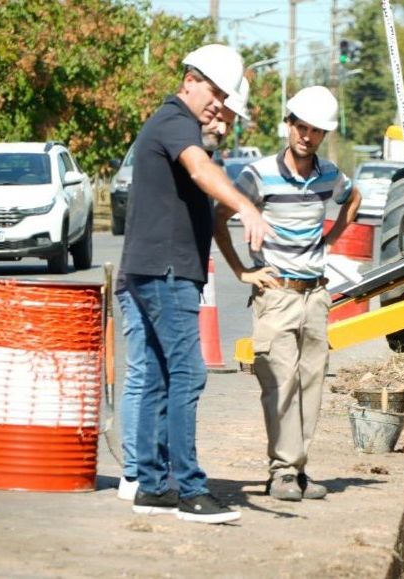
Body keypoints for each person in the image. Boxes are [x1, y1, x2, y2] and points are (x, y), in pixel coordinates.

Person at [119, 43, 272, 524]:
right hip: (166, 270)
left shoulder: (178, 124)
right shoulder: (175, 121)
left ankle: (151, 485)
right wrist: (247, 207)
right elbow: (201, 170)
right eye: (215, 92)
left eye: (224, 97)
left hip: (155, 268)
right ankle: (190, 490)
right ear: (190, 80)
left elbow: (206, 172)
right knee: (187, 373)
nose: (218, 104)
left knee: (160, 377)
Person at [212, 85, 361, 502]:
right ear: (289, 125)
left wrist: (331, 239)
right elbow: (220, 218)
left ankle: (297, 469)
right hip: (276, 294)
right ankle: (280, 471)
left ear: (324, 135)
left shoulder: (329, 174)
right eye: (301, 127)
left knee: (311, 384)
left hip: (315, 295)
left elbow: (353, 199)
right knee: (278, 384)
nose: (307, 137)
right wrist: (242, 271)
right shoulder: (258, 175)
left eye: (315, 131)